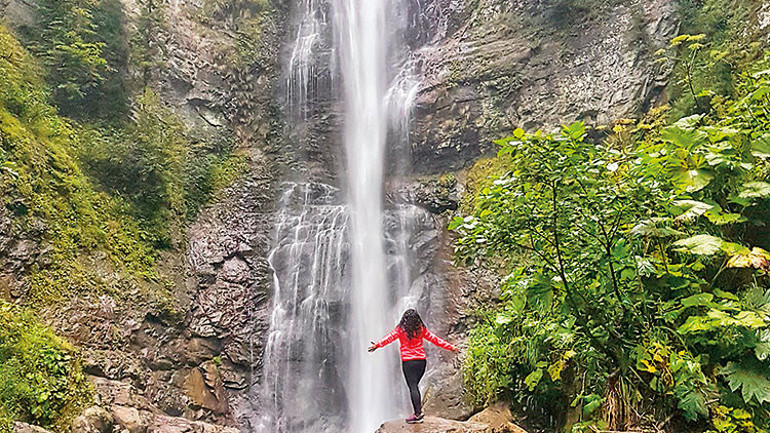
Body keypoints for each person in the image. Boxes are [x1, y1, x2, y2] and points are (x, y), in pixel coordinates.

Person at [368, 309, 459, 424]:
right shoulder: (421, 330)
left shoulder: (400, 330)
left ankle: (418, 415)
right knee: (415, 386)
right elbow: (435, 340)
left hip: (408, 362)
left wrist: (377, 345)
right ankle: (418, 412)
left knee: (413, 387)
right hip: (421, 362)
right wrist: (451, 347)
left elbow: (389, 338)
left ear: (404, 320)